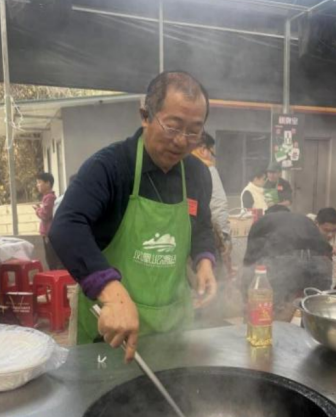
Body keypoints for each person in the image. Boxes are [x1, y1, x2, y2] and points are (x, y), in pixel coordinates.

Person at [50, 71, 217, 358]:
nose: (181, 141)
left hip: (174, 329)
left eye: (193, 131)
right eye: (173, 126)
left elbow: (200, 225)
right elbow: (66, 225)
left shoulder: (198, 174)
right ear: (145, 116)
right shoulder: (110, 166)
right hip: (111, 332)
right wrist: (110, 292)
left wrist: (204, 261)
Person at [241, 211, 332, 319]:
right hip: (319, 263)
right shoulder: (303, 221)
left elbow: (249, 265)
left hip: (284, 261)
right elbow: (327, 252)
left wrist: (246, 295)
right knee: (314, 308)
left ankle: (277, 324)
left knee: (269, 311)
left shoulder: (261, 224)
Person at [34, 172, 61, 270]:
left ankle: (55, 276)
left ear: (48, 183)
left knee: (52, 260)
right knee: (50, 259)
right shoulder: (47, 197)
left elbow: (45, 215)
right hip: (48, 234)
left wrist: (37, 210)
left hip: (49, 234)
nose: (37, 185)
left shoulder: (50, 198)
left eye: (39, 182)